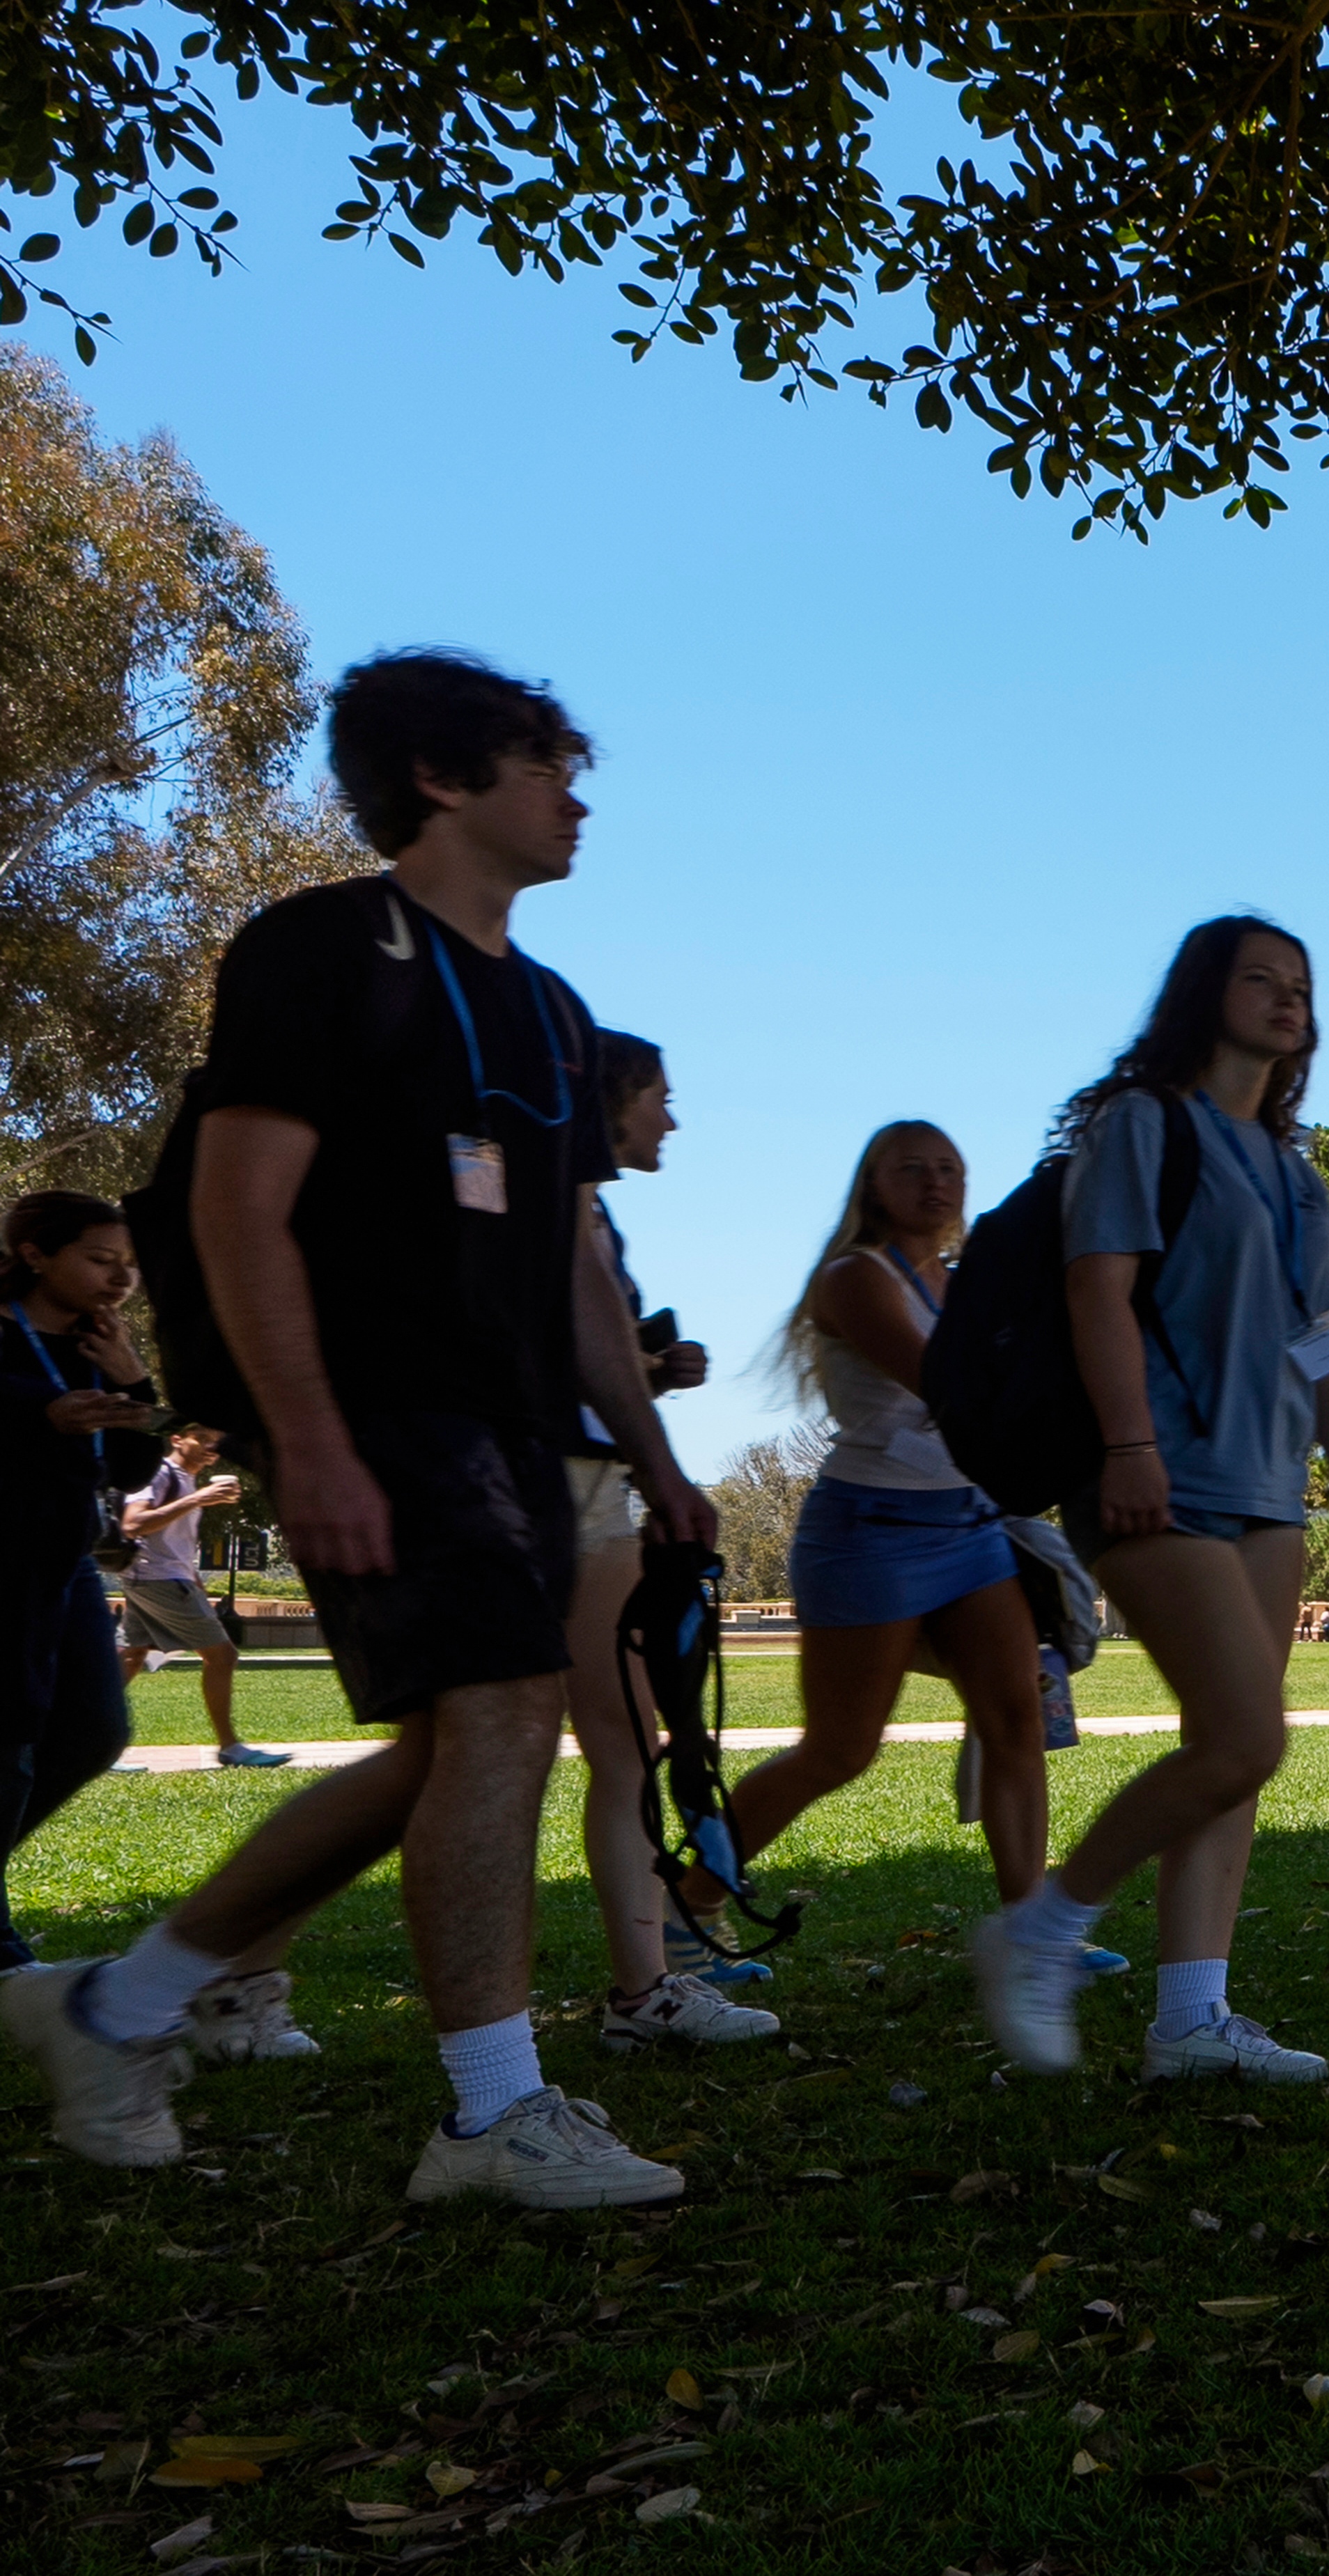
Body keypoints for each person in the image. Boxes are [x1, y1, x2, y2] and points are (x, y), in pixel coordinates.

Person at [1, 650, 713, 2205]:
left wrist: (651, 1457)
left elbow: (577, 1256)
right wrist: (306, 1439)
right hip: (372, 1402)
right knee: (511, 1713)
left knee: (450, 1755)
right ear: (445, 780)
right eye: (543, 762)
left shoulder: (553, 1010)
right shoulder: (322, 949)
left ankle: (111, 2009)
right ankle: (487, 2114)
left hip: (515, 1424)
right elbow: (237, 1206)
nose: (575, 794)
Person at [972, 916, 1329, 2086]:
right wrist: (1125, 1443)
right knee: (1244, 1732)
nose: (1285, 999)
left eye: (1301, 985)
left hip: (1269, 1488)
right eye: (1259, 978)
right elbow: (1095, 1289)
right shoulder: (1142, 1125)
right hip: (1153, 1473)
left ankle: (1190, 2015)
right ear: (1203, 993)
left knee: (1233, 1752)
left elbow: (1323, 1346)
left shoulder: (1295, 1174)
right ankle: (1043, 1928)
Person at [668, 1119, 1103, 1991]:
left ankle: (1031, 1932)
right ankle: (690, 1908)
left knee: (1016, 1719)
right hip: (870, 1532)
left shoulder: (965, 1279)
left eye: (949, 1169)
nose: (935, 1183)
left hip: (969, 1526)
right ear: (873, 1185)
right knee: (839, 1751)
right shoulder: (853, 1278)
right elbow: (951, 1383)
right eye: (912, 1169)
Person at [554, 1030, 779, 2050]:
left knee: (630, 1746)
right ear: (613, 1096)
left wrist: (650, 1373)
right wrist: (659, 1460)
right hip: (554, 1486)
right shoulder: (555, 1202)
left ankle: (651, 1980)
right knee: (493, 1755)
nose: (672, 1119)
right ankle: (214, 1961)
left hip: (593, 1485)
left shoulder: (585, 1208)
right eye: (660, 1097)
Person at [0, 1192, 165, 1969]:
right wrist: (42, 1416)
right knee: (9, 1741)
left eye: (127, 1265)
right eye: (101, 1259)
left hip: (64, 1564)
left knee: (97, 1731)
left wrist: (133, 1384)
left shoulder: (100, 1345)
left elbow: (133, 1468)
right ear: (36, 1253)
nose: (119, 1278)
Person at [118, 1424, 282, 1769]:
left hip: (160, 1578)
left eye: (216, 1443)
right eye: (203, 1439)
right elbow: (133, 1525)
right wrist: (199, 1499)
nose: (212, 1448)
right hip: (158, 1579)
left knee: (130, 1659)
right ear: (178, 1438)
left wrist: (195, 1581)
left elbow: (173, 1542)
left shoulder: (185, 1479)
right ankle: (230, 1747)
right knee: (222, 1657)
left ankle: (89, 1746)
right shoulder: (159, 1474)